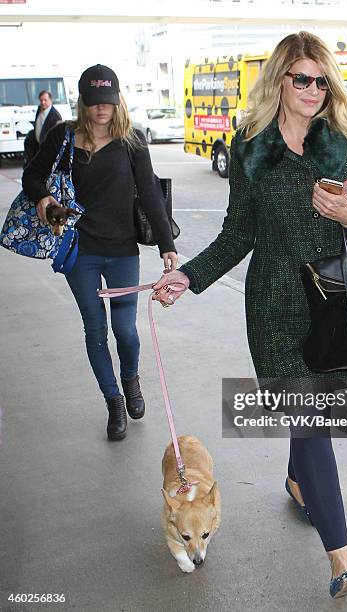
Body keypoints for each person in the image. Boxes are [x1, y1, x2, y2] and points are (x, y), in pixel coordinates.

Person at [152, 31, 347, 599]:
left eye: (321, 80)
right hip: (274, 307)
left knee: (309, 419)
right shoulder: (251, 147)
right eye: (301, 79)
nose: (313, 90)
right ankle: (342, 559)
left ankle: (295, 479)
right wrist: (188, 275)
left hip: (334, 302)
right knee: (311, 420)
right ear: (279, 81)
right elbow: (239, 232)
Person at [22, 64, 177, 441]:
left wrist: (167, 246)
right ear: (83, 102)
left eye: (107, 102)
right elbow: (32, 175)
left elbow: (151, 195)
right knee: (95, 330)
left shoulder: (132, 141)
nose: (101, 110)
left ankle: (130, 380)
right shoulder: (63, 136)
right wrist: (45, 199)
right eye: (94, 102)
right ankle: (114, 403)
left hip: (122, 250)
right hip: (80, 252)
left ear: (117, 101)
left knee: (125, 330)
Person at [23, 90, 62, 166]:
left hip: (48, 149)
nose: (43, 102)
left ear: (50, 100)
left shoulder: (55, 116)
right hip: (38, 146)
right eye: (41, 100)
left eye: (45, 100)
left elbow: (57, 135)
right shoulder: (39, 110)